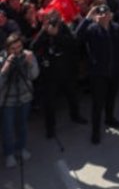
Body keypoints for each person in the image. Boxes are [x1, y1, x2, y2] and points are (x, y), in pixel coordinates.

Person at [30, 14, 88, 138]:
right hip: (50, 75)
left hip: (67, 71)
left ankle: (75, 116)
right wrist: (44, 31)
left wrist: (57, 34)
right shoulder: (44, 32)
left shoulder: (63, 29)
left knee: (72, 95)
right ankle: (50, 128)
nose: (53, 22)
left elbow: (73, 42)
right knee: (49, 103)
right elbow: (33, 47)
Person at [76, 3, 119, 145]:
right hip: (98, 73)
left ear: (110, 15)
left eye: (106, 14)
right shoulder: (91, 30)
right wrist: (87, 19)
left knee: (111, 97)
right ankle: (95, 131)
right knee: (97, 104)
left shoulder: (116, 28)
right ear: (96, 16)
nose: (104, 16)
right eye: (100, 14)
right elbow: (77, 37)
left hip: (113, 71)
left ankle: (109, 118)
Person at [0, 33, 38, 168]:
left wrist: (31, 62)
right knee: (8, 129)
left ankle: (21, 148)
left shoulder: (27, 55)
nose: (17, 51)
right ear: (7, 49)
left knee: (22, 125)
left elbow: (34, 75)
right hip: (7, 101)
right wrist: (5, 69)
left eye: (19, 47)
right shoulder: (2, 59)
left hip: (24, 98)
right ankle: (9, 154)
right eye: (13, 48)